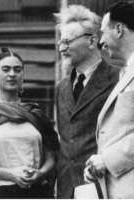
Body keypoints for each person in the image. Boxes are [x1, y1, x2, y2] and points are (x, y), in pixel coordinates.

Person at [0, 47, 60, 199]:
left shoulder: (35, 113)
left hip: (37, 191)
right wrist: (11, 174)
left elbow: (51, 157)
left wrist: (40, 173)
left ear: (22, 76)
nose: (12, 74)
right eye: (6, 69)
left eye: (17, 70)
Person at [54, 5, 121, 198]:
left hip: (105, 185)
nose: (62, 48)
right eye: (61, 42)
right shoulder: (61, 87)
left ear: (92, 41)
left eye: (67, 41)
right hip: (67, 190)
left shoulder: (120, 79)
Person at [84, 1, 134, 198]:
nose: (100, 42)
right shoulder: (126, 72)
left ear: (119, 29)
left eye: (103, 33)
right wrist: (98, 166)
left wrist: (108, 160)